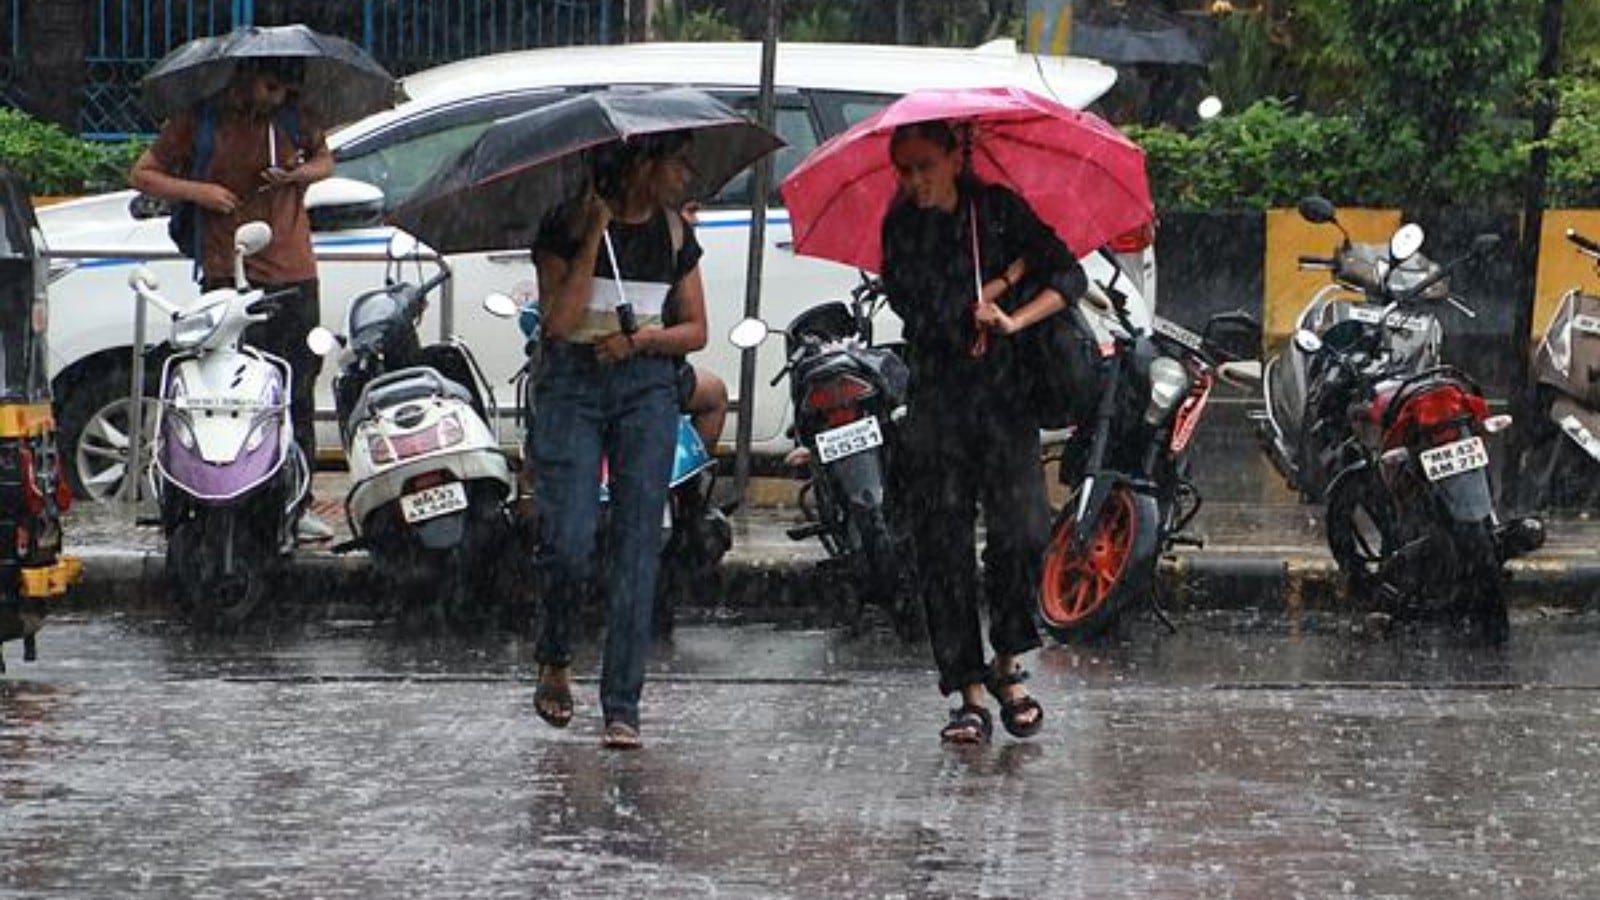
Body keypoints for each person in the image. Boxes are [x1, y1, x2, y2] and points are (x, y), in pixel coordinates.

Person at [879, 119, 1088, 745]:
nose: (915, 180)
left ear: (954, 157)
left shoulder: (997, 211)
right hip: (937, 403)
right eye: (905, 169)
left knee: (1023, 532)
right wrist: (999, 282)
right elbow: (927, 311)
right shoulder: (902, 227)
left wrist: (1013, 319)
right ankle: (967, 690)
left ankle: (1007, 664)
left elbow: (1067, 276)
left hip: (1004, 402)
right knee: (942, 545)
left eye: (925, 165)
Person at [527, 130, 708, 750]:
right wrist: (591, 242)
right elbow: (559, 321)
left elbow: (696, 330)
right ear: (643, 164)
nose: (688, 175)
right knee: (570, 538)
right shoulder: (566, 226)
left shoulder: (674, 234)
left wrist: (640, 342)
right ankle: (554, 654)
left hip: (646, 387)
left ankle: (622, 703)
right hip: (571, 384)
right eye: (678, 163)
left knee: (638, 544)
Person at [129, 56, 335, 542]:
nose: (275, 97)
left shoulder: (294, 117)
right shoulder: (199, 121)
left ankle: (294, 500)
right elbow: (143, 174)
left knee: (294, 387)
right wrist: (200, 192)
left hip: (292, 274)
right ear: (243, 77)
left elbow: (326, 160)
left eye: (284, 90)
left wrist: (297, 177)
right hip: (226, 276)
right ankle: (222, 500)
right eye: (269, 86)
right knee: (223, 390)